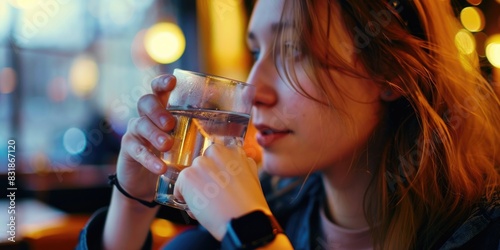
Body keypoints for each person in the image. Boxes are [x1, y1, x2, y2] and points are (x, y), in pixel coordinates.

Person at [77, 0, 500, 249]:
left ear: (389, 72)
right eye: (257, 52)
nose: (250, 91)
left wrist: (253, 236)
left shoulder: (480, 233)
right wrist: (133, 205)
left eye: (293, 49)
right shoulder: (252, 216)